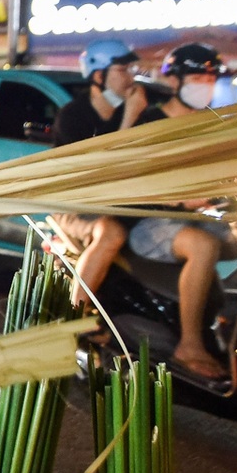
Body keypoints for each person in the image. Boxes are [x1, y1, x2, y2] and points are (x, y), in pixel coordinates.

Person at [126, 43, 229, 379]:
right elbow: (131, 175)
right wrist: (178, 200)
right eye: (198, 76)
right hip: (153, 222)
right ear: (175, 82)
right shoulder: (152, 121)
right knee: (204, 246)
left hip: (200, 216)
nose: (206, 84)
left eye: (211, 77)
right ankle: (190, 344)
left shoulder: (212, 124)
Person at [52, 40, 147, 306]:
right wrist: (129, 119)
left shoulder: (133, 112)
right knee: (111, 233)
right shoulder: (73, 116)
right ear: (98, 75)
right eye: (123, 70)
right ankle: (75, 316)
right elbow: (98, 169)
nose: (131, 77)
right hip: (72, 203)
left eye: (132, 69)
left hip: (118, 201)